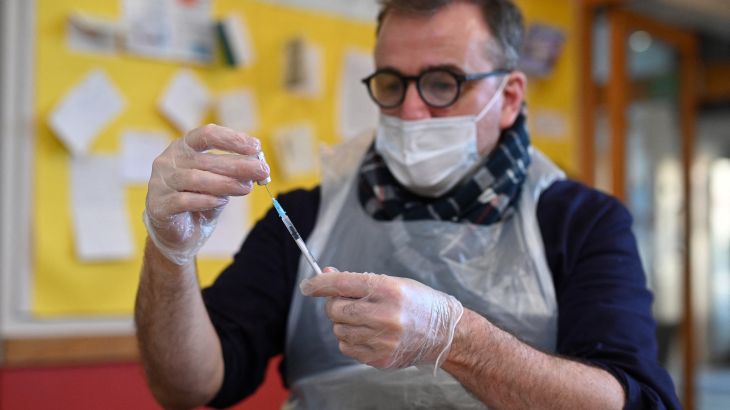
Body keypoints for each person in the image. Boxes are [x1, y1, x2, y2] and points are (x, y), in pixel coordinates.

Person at [135, 0, 680, 409]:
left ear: (509, 98)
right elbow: (188, 386)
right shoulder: (305, 216)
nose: (412, 111)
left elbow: (636, 401)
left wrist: (455, 340)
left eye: (443, 83)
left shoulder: (581, 222)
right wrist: (169, 252)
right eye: (393, 84)